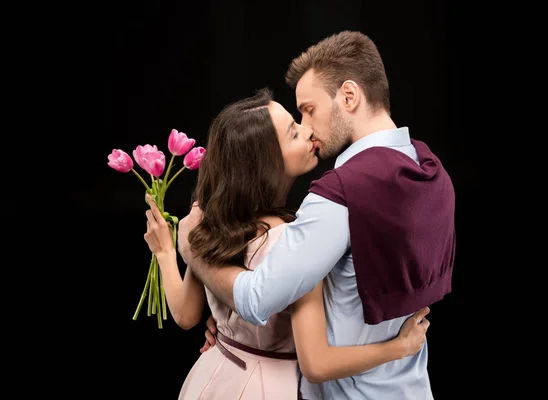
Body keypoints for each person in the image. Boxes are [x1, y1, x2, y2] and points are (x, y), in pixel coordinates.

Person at [177, 31, 456, 400]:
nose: (307, 125)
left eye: (309, 109)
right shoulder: (430, 170)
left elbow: (257, 297)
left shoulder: (338, 197)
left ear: (349, 96)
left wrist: (193, 252)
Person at [143, 87, 431, 400]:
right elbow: (317, 364)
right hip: (270, 389)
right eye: (294, 133)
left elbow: (186, 315)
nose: (309, 131)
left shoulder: (210, 221)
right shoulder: (296, 244)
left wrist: (165, 252)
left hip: (215, 377)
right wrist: (398, 348)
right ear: (265, 165)